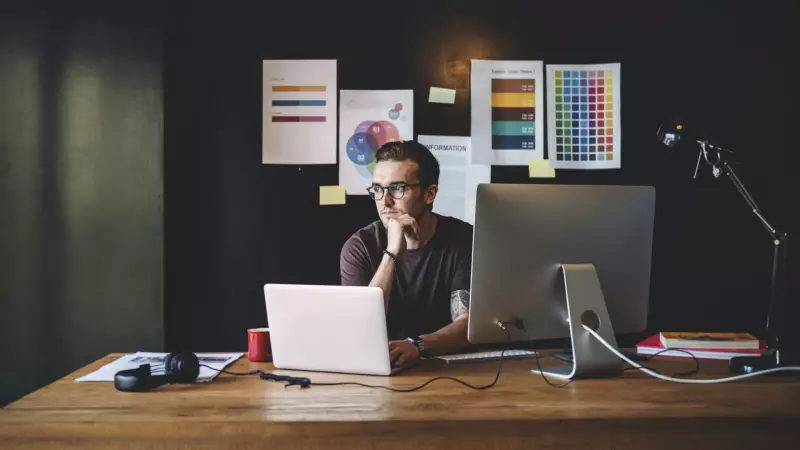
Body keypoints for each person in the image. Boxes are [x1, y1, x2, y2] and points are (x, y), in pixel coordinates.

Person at [340, 140, 473, 367]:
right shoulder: (360, 246)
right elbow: (360, 326)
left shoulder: (464, 239)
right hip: (382, 367)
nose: (385, 201)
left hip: (454, 366)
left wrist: (417, 346)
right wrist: (392, 253)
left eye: (397, 188)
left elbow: (468, 323)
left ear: (429, 193)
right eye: (378, 189)